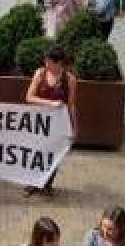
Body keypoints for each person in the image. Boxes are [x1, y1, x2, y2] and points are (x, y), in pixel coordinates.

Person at [24, 46, 76, 198]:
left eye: (50, 62)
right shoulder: (40, 74)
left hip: (58, 125)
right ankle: (32, 182)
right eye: (46, 61)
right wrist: (50, 103)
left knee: (53, 154)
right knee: (35, 152)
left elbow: (72, 104)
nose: (46, 64)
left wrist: (74, 127)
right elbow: (29, 97)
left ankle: (47, 184)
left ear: (59, 63)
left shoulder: (70, 79)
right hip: (39, 122)